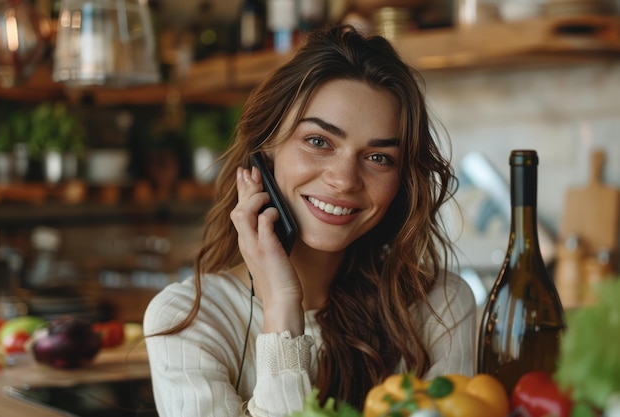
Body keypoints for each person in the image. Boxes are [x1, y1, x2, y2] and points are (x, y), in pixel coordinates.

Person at [143, 24, 476, 417]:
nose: (344, 179)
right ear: (264, 152)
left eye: (378, 157)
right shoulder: (190, 321)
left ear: (402, 181)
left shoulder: (439, 307)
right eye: (318, 142)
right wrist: (282, 308)